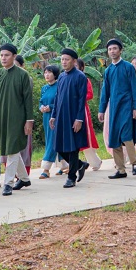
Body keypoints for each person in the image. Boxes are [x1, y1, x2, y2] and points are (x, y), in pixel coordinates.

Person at [0, 44, 35, 196]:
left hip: (18, 118)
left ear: (14, 56)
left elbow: (28, 99)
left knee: (12, 147)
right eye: (1, 55)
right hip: (2, 118)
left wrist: (29, 121)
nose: (3, 58)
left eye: (6, 55)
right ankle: (25, 179)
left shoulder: (22, 75)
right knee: (9, 148)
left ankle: (8, 183)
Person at [98, 38, 136, 178]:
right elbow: (105, 92)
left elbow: (134, 88)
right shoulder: (108, 70)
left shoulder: (128, 67)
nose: (112, 51)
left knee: (126, 135)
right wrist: (101, 109)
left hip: (126, 106)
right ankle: (121, 169)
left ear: (120, 50)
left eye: (115, 48)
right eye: (110, 49)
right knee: (114, 137)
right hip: (113, 108)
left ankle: (135, 161)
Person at [50, 48, 91, 188]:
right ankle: (80, 165)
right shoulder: (61, 76)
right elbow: (57, 97)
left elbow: (81, 99)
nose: (64, 62)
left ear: (74, 61)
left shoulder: (80, 77)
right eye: (62, 59)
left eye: (67, 59)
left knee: (73, 147)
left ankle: (71, 177)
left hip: (74, 117)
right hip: (61, 116)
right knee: (59, 146)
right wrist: (54, 115)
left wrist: (79, 118)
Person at [38, 65, 67, 178]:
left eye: (49, 72)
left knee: (52, 141)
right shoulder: (44, 88)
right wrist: (42, 108)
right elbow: (41, 101)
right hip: (46, 117)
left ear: (55, 74)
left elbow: (62, 102)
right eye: (45, 73)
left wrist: (50, 107)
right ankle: (65, 165)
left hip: (56, 117)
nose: (47, 75)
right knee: (52, 140)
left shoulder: (59, 86)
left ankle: (46, 169)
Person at [77, 59, 103, 171]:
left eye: (76, 65)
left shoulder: (85, 80)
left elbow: (90, 94)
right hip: (71, 111)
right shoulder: (66, 78)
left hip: (82, 110)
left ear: (81, 68)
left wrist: (77, 99)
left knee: (86, 136)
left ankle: (95, 161)